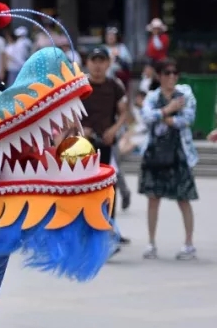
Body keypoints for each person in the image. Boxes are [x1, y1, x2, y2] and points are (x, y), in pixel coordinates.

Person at [138, 59, 197, 261]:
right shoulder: (153, 97)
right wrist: (167, 110)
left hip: (179, 152)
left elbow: (188, 119)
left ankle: (189, 244)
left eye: (174, 73)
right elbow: (145, 116)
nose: (171, 76)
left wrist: (167, 117)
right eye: (167, 73)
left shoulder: (185, 95)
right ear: (160, 76)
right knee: (153, 199)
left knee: (184, 199)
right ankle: (151, 243)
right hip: (155, 153)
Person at [80, 47, 130, 245]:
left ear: (108, 63)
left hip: (107, 143)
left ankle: (110, 230)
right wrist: (80, 128)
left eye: (102, 61)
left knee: (109, 188)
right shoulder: (80, 85)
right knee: (83, 189)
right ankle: (84, 232)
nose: (98, 65)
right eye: (94, 60)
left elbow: (125, 112)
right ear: (88, 63)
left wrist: (114, 129)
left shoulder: (115, 85)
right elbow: (67, 111)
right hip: (82, 146)